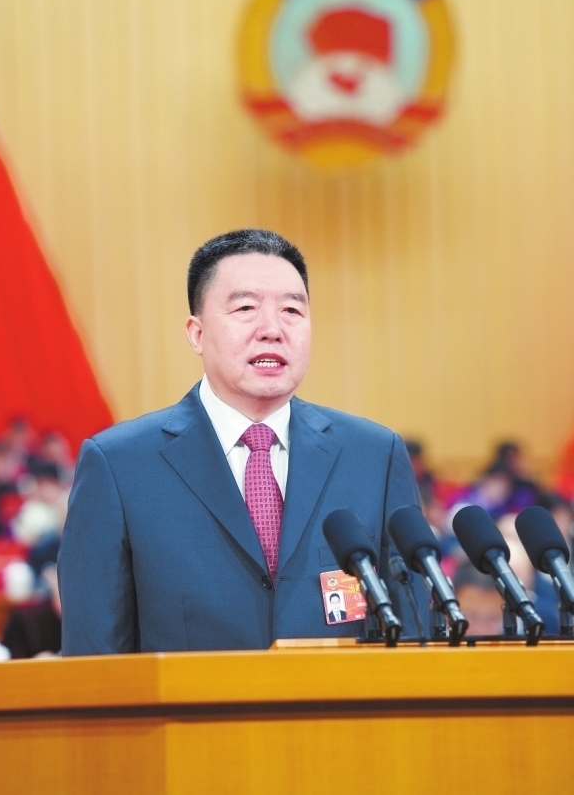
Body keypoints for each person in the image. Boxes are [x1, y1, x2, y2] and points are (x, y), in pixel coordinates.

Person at [58, 228, 428, 654]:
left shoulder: (373, 456)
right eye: (246, 308)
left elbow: (415, 633)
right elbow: (94, 658)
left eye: (292, 310)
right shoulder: (120, 465)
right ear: (196, 334)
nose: (272, 329)